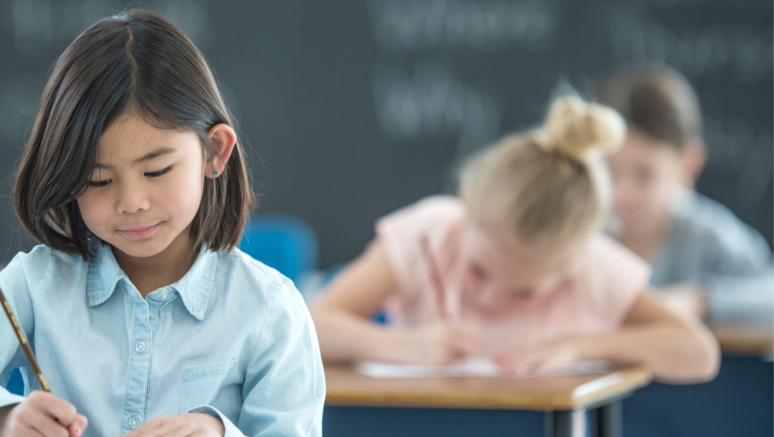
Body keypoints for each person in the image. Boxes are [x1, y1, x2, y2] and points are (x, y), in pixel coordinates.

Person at [0, 10, 325, 437]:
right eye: (97, 179)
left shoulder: (270, 310)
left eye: (156, 171)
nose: (130, 203)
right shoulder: (37, 284)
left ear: (214, 151)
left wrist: (217, 431)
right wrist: (1, 418)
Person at [310, 95, 719, 383]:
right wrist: (397, 347)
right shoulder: (431, 234)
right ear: (466, 206)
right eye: (480, 270)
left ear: (574, 263)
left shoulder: (593, 266)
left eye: (524, 292)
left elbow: (698, 353)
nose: (490, 297)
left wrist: (580, 346)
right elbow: (310, 327)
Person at [599, 66, 774, 325]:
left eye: (645, 174)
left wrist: (702, 301)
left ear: (688, 164)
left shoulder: (708, 234)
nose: (622, 192)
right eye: (609, 170)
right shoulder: (585, 233)